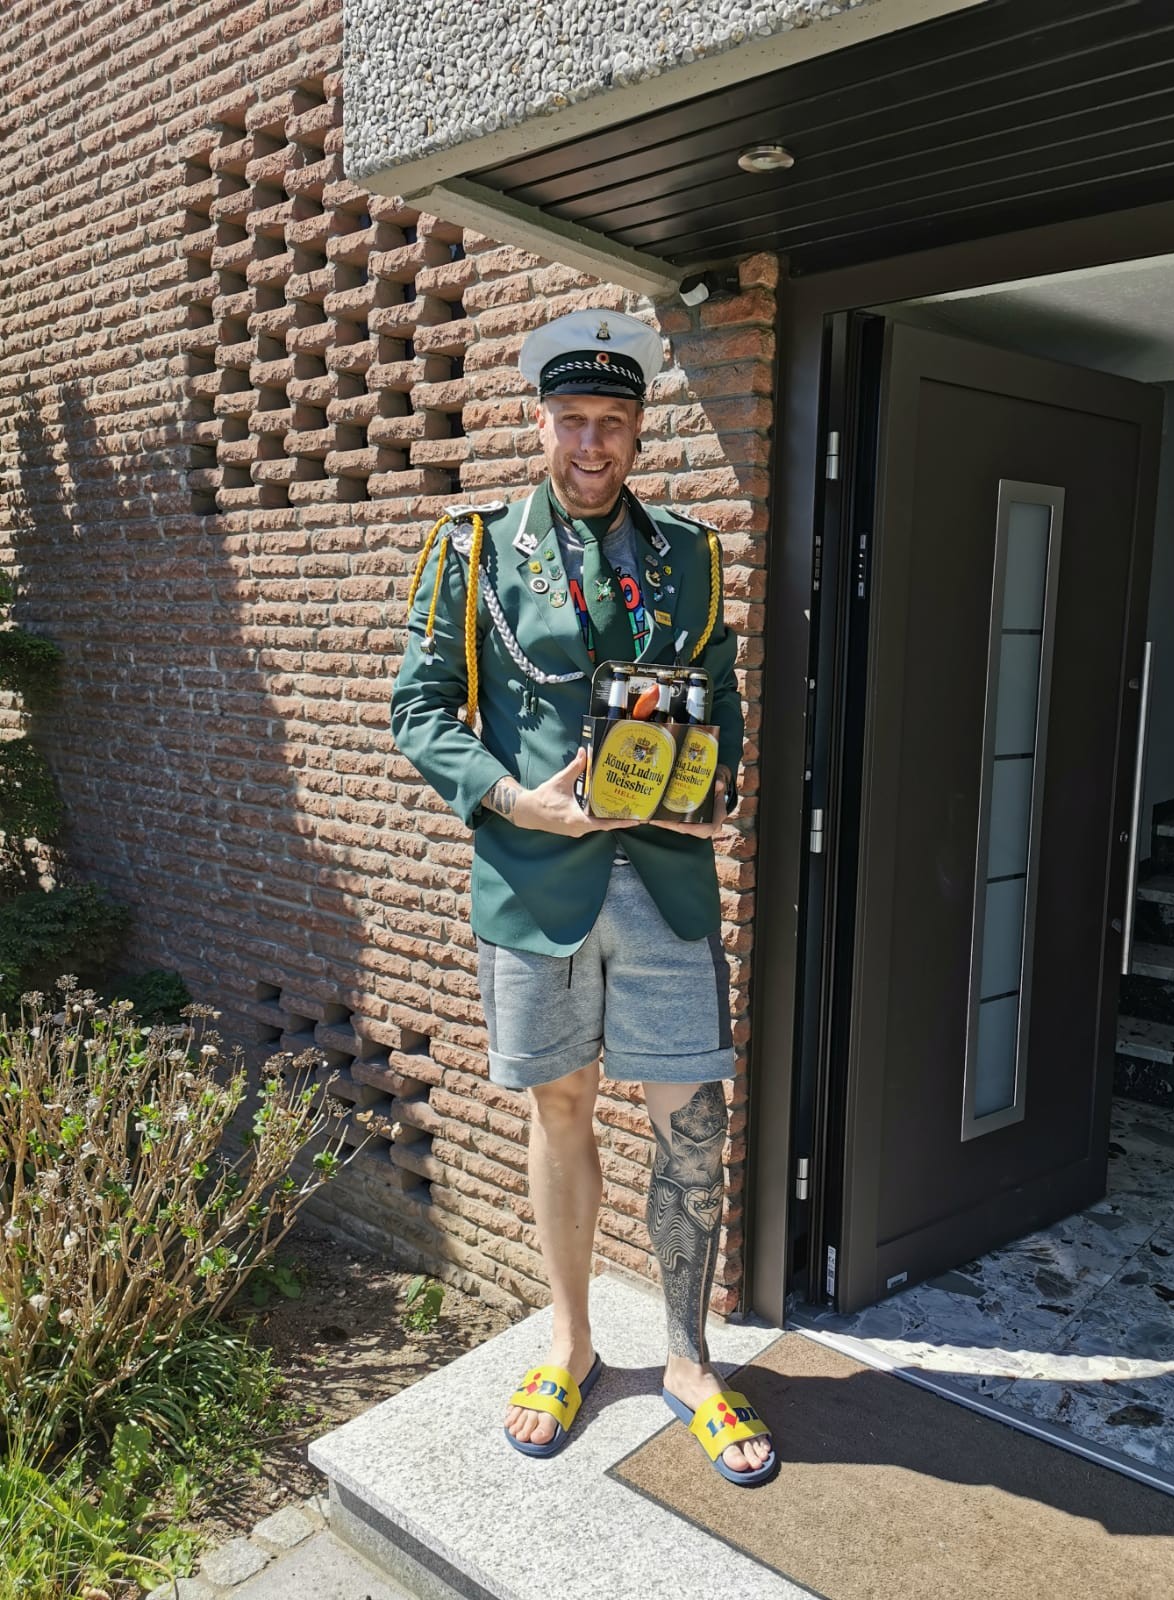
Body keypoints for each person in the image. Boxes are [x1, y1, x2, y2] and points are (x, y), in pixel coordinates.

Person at [390, 309, 776, 1485]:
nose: (593, 442)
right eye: (573, 420)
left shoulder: (692, 555)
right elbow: (419, 710)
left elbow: (722, 700)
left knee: (691, 1119)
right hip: (537, 881)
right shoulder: (471, 550)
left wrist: (716, 791)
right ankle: (569, 1344)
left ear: (639, 430)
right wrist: (516, 799)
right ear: (540, 422)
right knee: (559, 1109)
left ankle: (689, 1361)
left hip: (665, 884)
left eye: (613, 421)